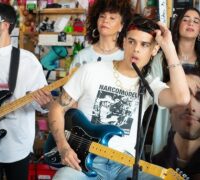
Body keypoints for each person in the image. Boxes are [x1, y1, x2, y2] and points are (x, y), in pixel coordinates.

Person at [47, 16, 190, 179]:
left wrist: (169, 47)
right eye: (131, 41)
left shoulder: (149, 85)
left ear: (154, 50)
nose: (136, 49)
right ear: (123, 42)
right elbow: (57, 108)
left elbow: (182, 98)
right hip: (85, 159)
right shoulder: (91, 70)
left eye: (144, 45)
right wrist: (63, 146)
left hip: (126, 164)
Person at [0, 2, 52, 180]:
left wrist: (44, 103)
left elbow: (42, 105)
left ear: (5, 25)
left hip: (16, 145)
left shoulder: (28, 61)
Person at [151, 7, 200, 155]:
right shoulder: (160, 58)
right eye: (185, 19)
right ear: (177, 25)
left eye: (196, 21)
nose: (190, 23)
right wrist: (185, 80)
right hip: (167, 122)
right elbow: (152, 90)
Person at [152, 68, 200, 179]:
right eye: (182, 97)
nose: (191, 107)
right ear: (169, 106)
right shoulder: (153, 165)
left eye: (199, 97)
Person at [70, 0, 132, 69]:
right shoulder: (82, 56)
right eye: (102, 16)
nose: (105, 20)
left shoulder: (126, 56)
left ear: (121, 26)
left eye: (112, 18)